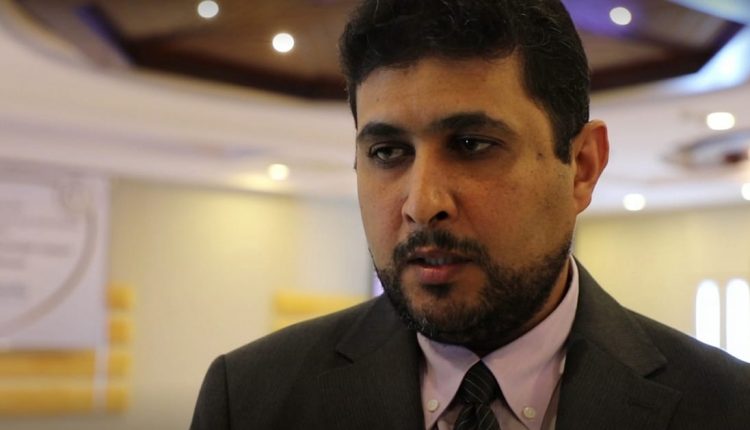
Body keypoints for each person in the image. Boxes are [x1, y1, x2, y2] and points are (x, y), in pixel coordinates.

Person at [190, 0, 750, 429]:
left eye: (471, 145)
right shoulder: (252, 399)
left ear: (581, 167)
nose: (421, 204)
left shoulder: (727, 406)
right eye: (388, 153)